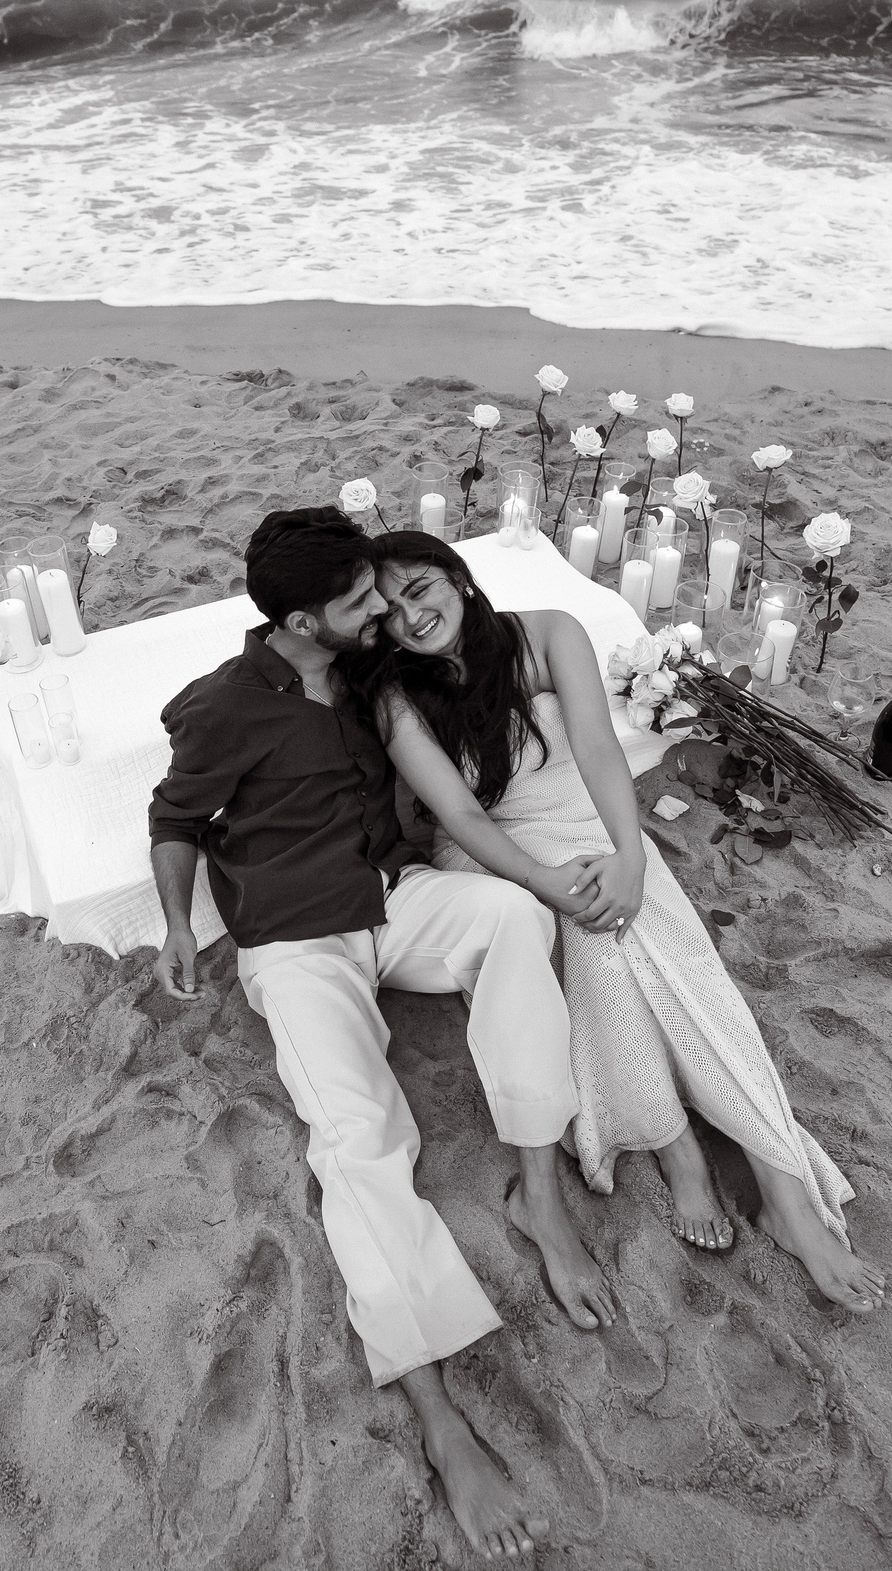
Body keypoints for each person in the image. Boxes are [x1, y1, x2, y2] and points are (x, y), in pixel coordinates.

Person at [147, 506, 617, 1561]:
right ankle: (444, 1427)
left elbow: (485, 674)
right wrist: (178, 922)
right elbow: (174, 816)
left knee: (511, 914)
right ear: (305, 619)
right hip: (296, 944)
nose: (383, 613)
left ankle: (538, 1198)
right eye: (363, 602)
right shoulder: (225, 711)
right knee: (359, 1137)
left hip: (390, 901)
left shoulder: (368, 675)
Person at [347, 529, 886, 1314]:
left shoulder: (548, 632)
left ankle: (781, 1186)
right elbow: (459, 811)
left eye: (420, 590)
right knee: (600, 943)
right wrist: (544, 885)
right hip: (498, 854)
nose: (409, 617)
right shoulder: (399, 697)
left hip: (595, 824)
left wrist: (631, 855)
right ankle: (675, 1147)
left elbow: (600, 751)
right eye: (390, 609)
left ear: (458, 579)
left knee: (677, 958)